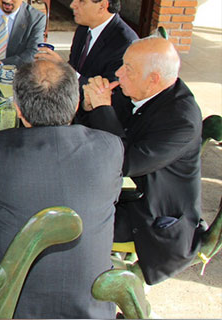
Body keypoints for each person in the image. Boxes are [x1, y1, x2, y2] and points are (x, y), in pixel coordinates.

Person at [0, 59, 122, 318]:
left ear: (18, 109)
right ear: (76, 104)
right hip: (90, 306)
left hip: (6, 306)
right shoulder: (110, 148)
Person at [79, 37, 205, 285]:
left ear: (153, 79)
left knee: (71, 219)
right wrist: (89, 105)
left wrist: (102, 108)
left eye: (128, 69)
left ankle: (91, 285)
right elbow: (98, 131)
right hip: (128, 193)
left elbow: (125, 162)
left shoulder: (181, 120)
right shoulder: (139, 91)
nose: (118, 73)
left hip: (153, 219)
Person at [36, 0, 137, 88]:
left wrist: (63, 68)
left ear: (102, 6)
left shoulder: (125, 44)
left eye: (81, 0)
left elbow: (108, 91)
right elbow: (74, 67)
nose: (72, 5)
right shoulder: (83, 29)